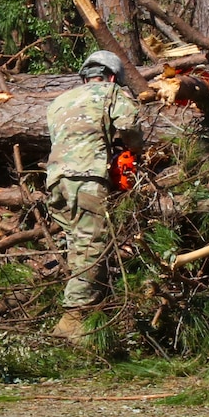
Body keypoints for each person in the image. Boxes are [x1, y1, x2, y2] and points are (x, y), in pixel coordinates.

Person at [44, 50, 144, 341]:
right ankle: (72, 320)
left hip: (56, 181)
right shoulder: (110, 92)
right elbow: (128, 126)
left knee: (77, 245)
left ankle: (93, 318)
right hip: (87, 178)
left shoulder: (59, 102)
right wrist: (135, 150)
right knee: (92, 245)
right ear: (112, 76)